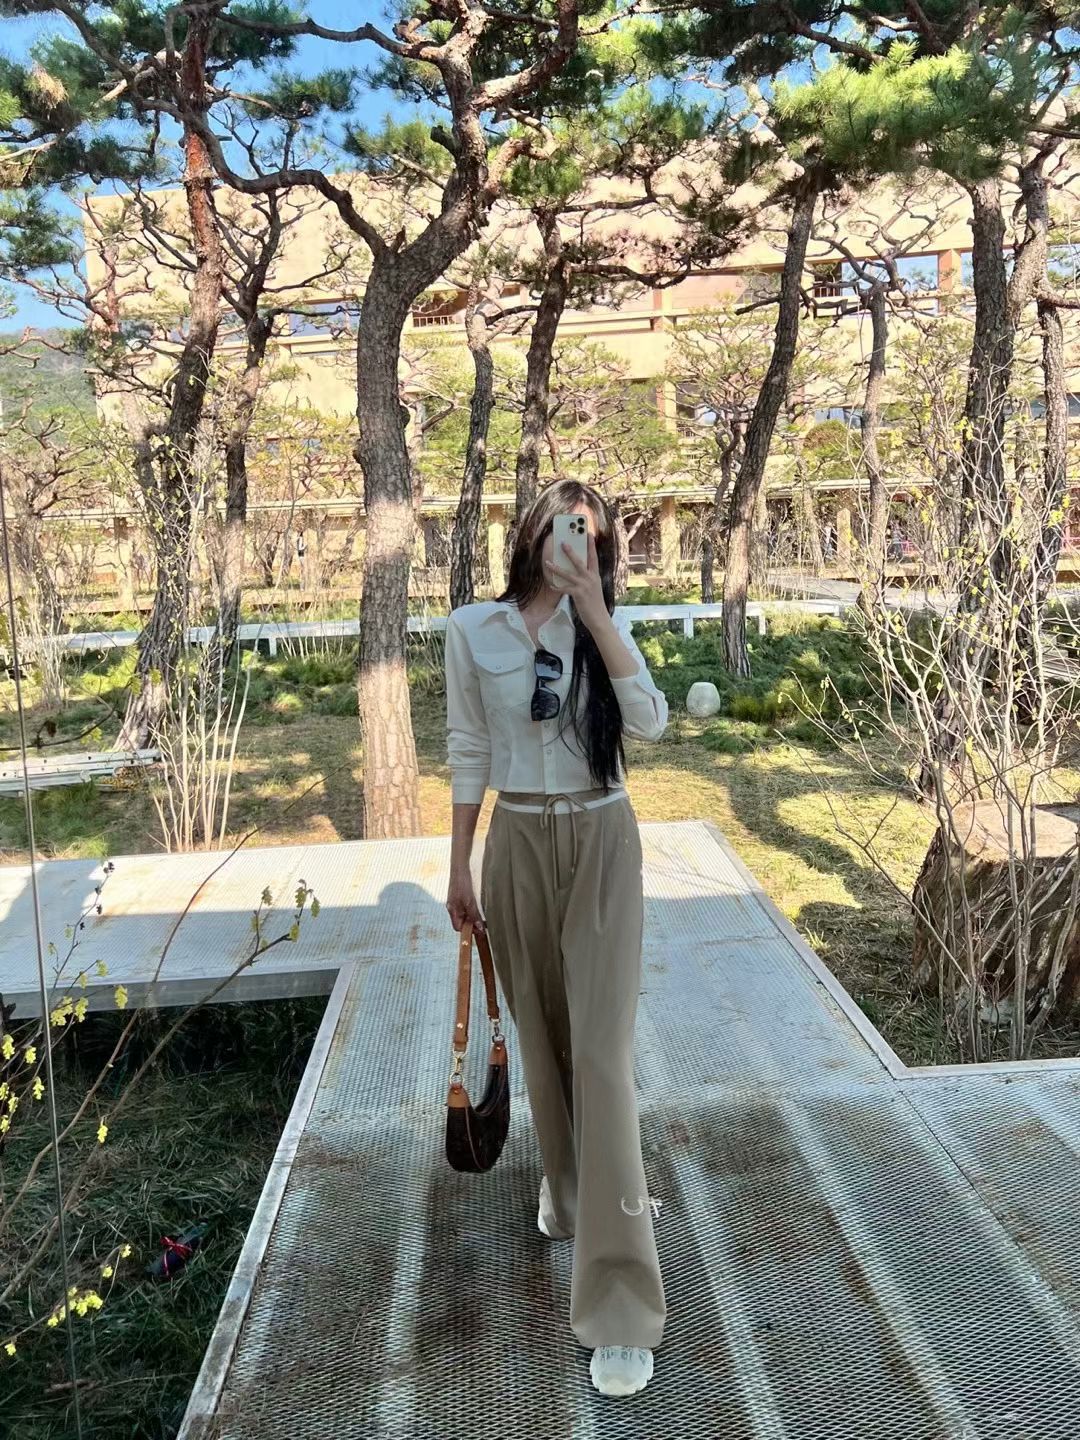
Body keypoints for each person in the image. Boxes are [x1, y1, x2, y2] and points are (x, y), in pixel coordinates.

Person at [444, 479, 669, 1399]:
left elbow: (649, 722)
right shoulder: (473, 631)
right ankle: (570, 1191)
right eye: (558, 527)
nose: (572, 542)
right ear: (528, 534)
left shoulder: (605, 626)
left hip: (602, 837)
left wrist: (596, 613)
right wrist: (458, 865)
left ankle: (620, 1304)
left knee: (604, 1060)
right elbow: (467, 746)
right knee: (541, 1040)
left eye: (590, 534)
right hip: (518, 841)